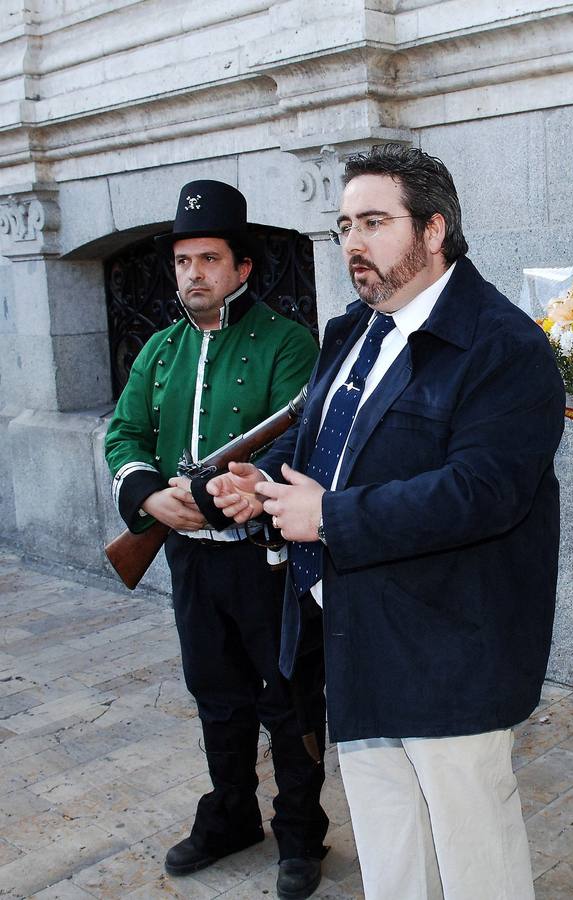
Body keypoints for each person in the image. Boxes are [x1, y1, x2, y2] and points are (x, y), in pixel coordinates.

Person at [205, 144, 565, 900]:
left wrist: (327, 516)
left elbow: (484, 490)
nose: (353, 245)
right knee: (390, 844)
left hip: (449, 644)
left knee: (474, 856)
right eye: (342, 226)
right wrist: (266, 489)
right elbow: (318, 457)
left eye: (374, 222)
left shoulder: (502, 345)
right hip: (353, 628)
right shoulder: (351, 331)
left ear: (434, 231)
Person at [104, 181, 329, 898]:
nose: (192, 274)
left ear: (242, 269)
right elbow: (126, 433)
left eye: (207, 259)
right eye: (181, 261)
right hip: (190, 560)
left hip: (268, 563)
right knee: (215, 694)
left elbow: (300, 442)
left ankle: (299, 831)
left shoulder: (290, 344)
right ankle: (230, 815)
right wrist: (149, 499)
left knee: (289, 701)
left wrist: (215, 494)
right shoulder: (161, 349)